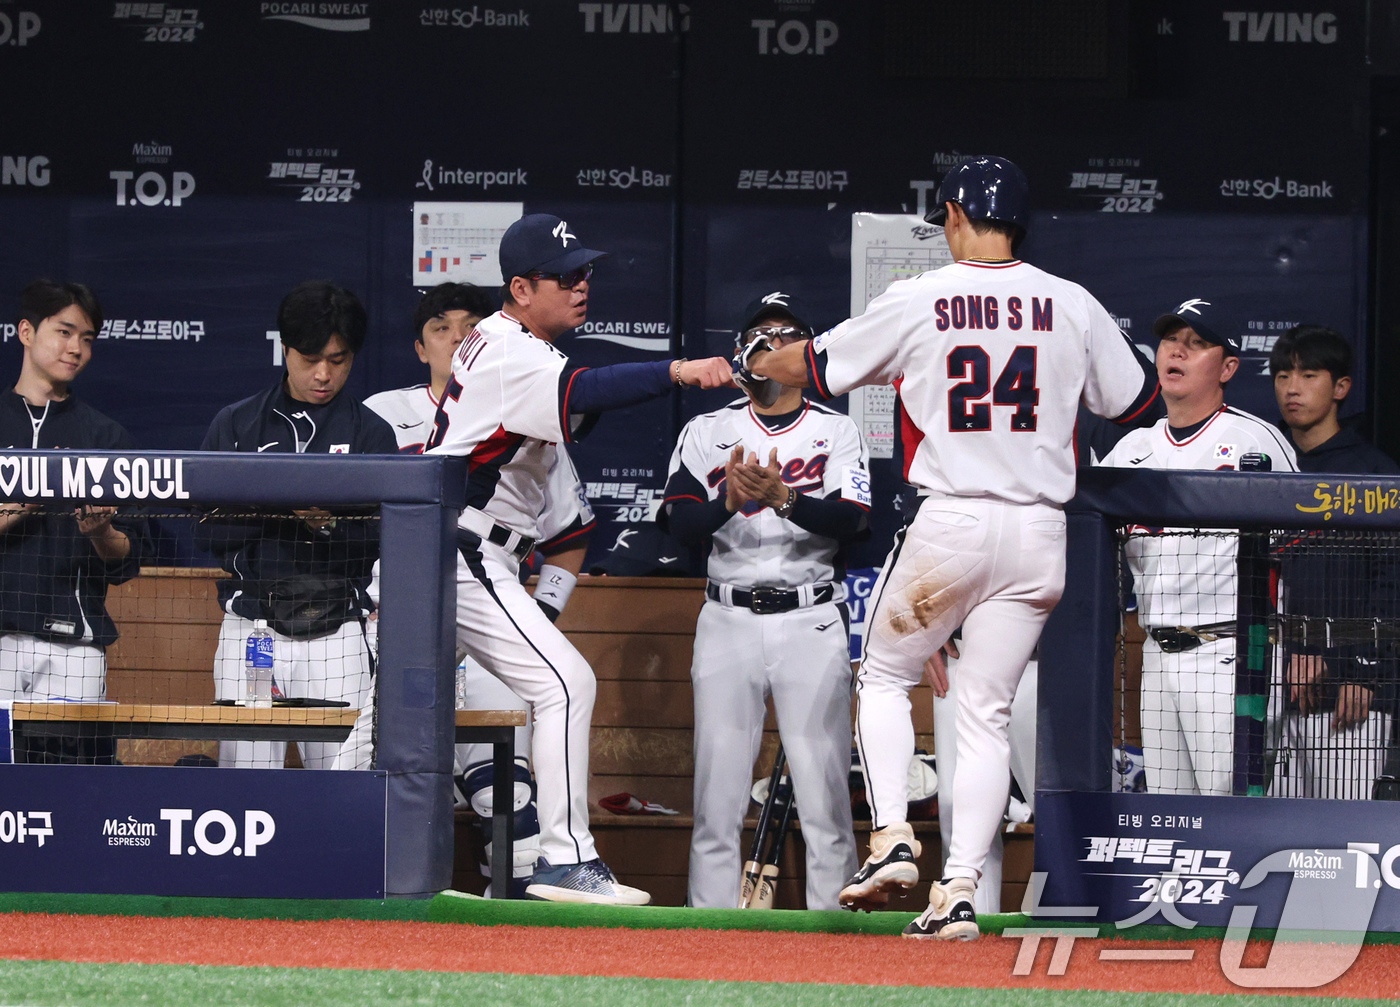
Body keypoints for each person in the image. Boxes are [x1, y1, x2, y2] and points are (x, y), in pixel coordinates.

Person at [741, 155, 1159, 938]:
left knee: (885, 676)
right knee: (986, 713)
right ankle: (960, 888)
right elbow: (1133, 401)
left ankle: (893, 837)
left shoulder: (922, 295)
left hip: (956, 518)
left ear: (957, 217)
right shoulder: (1071, 302)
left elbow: (817, 367)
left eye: (946, 219)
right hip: (1041, 532)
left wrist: (756, 358)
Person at [425, 213, 733, 904]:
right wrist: (678, 368)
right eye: (565, 276)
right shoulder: (510, 350)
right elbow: (585, 392)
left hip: (458, 549)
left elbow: (572, 401)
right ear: (521, 288)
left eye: (585, 271)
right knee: (566, 683)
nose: (581, 284)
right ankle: (565, 860)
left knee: (395, 707)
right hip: (462, 547)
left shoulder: (507, 340)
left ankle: (330, 847)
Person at [359, 281, 596, 894]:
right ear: (420, 345)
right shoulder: (382, 413)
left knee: (506, 793)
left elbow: (571, 533)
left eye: (469, 323)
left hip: (491, 581)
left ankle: (515, 915)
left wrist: (542, 611)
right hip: (413, 593)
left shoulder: (532, 409)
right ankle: (360, 884)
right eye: (443, 326)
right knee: (382, 748)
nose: (459, 335)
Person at [660, 290, 867, 910]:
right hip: (727, 615)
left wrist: (785, 498)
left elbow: (854, 520)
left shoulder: (837, 428)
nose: (770, 345)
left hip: (809, 617)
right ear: (740, 353)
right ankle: (711, 937)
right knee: (717, 796)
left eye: (786, 336)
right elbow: (674, 523)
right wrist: (728, 501)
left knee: (824, 794)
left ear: (805, 354)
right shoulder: (708, 430)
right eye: (760, 335)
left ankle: (838, 932)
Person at [196, 280, 398, 770]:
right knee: (246, 782)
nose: (324, 374)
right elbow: (207, 533)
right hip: (254, 628)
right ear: (285, 350)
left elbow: (383, 540)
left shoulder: (372, 433)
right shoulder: (238, 424)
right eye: (311, 359)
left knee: (344, 782)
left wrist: (326, 523)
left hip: (338, 633)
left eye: (339, 359)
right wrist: (282, 506)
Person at [1100, 299, 1298, 798]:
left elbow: (1304, 554)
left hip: (1230, 653)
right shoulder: (1130, 451)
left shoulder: (1255, 440)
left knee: (1232, 812)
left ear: (1228, 366)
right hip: (1157, 653)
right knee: (1173, 817)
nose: (1178, 352)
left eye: (1196, 343)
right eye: (1171, 340)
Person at [0, 280, 148, 763]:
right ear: (26, 331)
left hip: (74, 647)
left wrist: (102, 533)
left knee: (70, 792)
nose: (76, 348)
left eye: (87, 338)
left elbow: (129, 560)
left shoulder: (105, 436)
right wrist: (23, 504)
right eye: (65, 332)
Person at [1267, 325, 1399, 798]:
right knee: (1271, 835)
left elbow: (1390, 585)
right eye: (1282, 375)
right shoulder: (1267, 466)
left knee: (1341, 843)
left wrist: (1362, 673)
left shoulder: (1375, 473)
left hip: (1350, 697)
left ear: (1341, 387)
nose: (1292, 388)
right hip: (1274, 692)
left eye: (1308, 374)